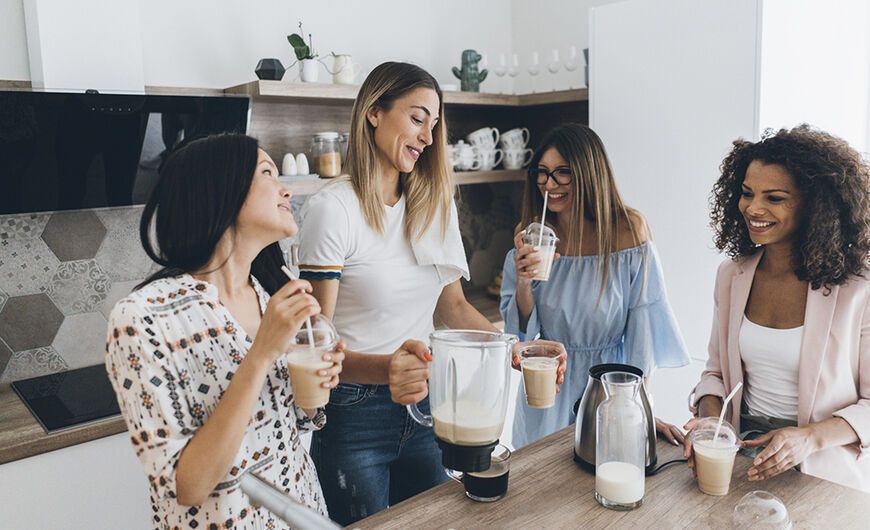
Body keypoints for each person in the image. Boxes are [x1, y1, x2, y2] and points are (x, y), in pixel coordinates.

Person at [296, 61, 566, 525]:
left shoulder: (431, 203)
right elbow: (316, 347)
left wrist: (513, 349)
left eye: (434, 125)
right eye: (418, 118)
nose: (427, 136)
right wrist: (388, 370)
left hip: (427, 406)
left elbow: (453, 306)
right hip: (354, 416)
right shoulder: (332, 210)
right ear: (374, 112)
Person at [105, 134, 344, 528]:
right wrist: (262, 353)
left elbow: (294, 422)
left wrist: (316, 386)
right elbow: (190, 487)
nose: (286, 189)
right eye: (268, 172)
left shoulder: (270, 297)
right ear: (222, 190)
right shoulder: (143, 317)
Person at [685, 124, 870, 492]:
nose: (753, 208)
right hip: (736, 461)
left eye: (775, 198)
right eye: (747, 193)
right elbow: (716, 375)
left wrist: (809, 438)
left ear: (815, 204)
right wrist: (711, 423)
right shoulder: (732, 275)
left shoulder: (857, 288)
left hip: (820, 471)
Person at [500, 123, 691, 449]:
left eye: (563, 173)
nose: (549, 184)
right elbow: (520, 333)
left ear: (589, 172)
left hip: (608, 387)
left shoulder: (628, 231)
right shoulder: (534, 233)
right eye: (542, 173)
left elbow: (641, 332)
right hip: (548, 386)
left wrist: (639, 405)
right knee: (541, 489)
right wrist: (522, 282)